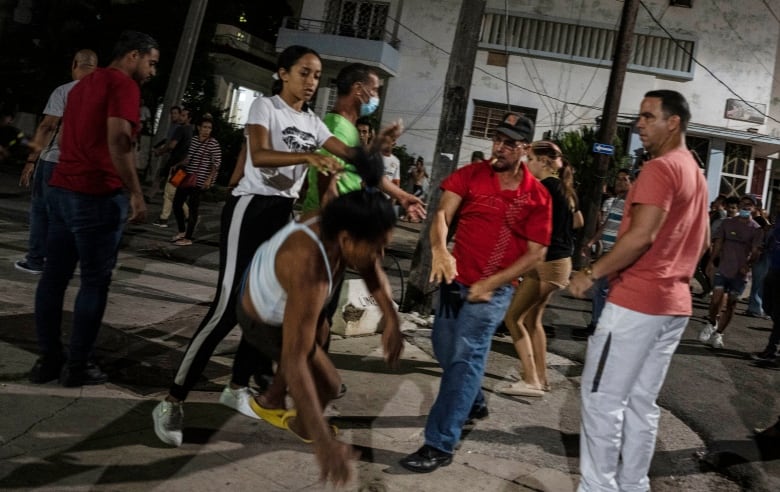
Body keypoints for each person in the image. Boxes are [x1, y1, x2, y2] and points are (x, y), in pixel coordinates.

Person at [152, 45, 401, 447]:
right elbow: (261, 154)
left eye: (317, 75)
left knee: (267, 309)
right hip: (250, 210)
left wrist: (375, 152)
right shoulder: (265, 109)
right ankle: (172, 400)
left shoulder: (315, 122)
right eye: (304, 72)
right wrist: (309, 156)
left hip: (281, 217)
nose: (311, 81)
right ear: (283, 73)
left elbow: (354, 157)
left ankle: (235, 387)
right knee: (224, 309)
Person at [568, 90, 709, 491]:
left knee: (601, 400)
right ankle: (633, 485)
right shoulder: (695, 173)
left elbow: (640, 237)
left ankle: (599, 488)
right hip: (673, 305)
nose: (639, 124)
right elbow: (699, 246)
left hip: (637, 305)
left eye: (648, 116)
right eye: (639, 117)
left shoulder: (660, 169)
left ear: (674, 122)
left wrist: (591, 272)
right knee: (640, 404)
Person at [399, 113, 552, 473]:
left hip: (493, 292)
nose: (499, 147)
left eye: (509, 142)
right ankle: (474, 400)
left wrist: (491, 283)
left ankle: (439, 442)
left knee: (466, 357)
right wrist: (440, 249)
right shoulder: (471, 175)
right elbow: (442, 214)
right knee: (445, 349)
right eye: (497, 138)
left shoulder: (536, 195)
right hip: (455, 280)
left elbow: (536, 252)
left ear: (525, 150)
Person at [239, 154, 403, 486]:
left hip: (283, 295)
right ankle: (298, 421)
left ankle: (283, 407)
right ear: (346, 241)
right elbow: (294, 358)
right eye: (377, 247)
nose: (380, 257)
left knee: (319, 333)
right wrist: (325, 446)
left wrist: (393, 320)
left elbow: (373, 271)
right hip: (260, 317)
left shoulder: (343, 224)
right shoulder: (309, 267)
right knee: (326, 382)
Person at [29, 30, 158, 387]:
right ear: (133, 55)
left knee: (53, 278)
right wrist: (135, 191)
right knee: (94, 282)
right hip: (97, 194)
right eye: (151, 62)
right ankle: (79, 365)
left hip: (61, 189)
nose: (152, 70)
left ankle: (48, 360)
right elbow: (118, 139)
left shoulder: (81, 85)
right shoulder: (124, 86)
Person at [498, 141, 582, 397]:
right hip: (559, 263)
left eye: (531, 159)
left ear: (544, 161)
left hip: (548, 263)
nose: (528, 165)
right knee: (533, 320)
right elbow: (578, 221)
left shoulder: (545, 187)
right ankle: (541, 379)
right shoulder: (564, 189)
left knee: (513, 318)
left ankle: (531, 379)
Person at [15, 49, 98, 275]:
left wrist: (31, 160)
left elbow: (48, 126)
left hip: (54, 160)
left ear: (75, 64)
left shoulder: (65, 91)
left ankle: (35, 260)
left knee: (41, 210)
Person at [698, 195, 763, 348]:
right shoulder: (727, 223)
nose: (746, 207)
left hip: (740, 274)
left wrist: (748, 265)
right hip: (724, 268)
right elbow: (719, 243)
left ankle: (719, 333)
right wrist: (711, 262)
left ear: (754, 209)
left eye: (749, 205)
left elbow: (755, 252)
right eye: (743, 204)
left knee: (732, 304)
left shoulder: (756, 230)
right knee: (716, 299)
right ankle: (711, 322)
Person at [579, 168, 632, 335]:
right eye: (618, 179)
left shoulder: (632, 203)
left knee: (602, 289)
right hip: (608, 252)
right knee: (602, 290)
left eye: (624, 179)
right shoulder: (617, 201)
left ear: (632, 183)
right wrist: (592, 242)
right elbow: (606, 225)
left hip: (616, 254)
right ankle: (600, 325)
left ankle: (598, 326)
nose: (619, 182)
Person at [170, 113, 222, 246]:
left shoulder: (213, 144)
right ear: (199, 127)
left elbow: (216, 164)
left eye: (209, 128)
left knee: (193, 208)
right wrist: (177, 165)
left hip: (199, 179)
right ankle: (182, 231)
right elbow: (188, 157)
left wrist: (209, 179)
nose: (206, 130)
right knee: (176, 204)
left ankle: (188, 237)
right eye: (204, 127)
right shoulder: (193, 140)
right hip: (186, 176)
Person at [152, 107, 192, 227]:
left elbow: (171, 146)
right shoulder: (191, 130)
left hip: (175, 165)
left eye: (183, 115)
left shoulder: (181, 129)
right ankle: (184, 216)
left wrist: (160, 152)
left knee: (170, 192)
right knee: (172, 192)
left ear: (189, 118)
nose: (180, 117)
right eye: (181, 115)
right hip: (184, 166)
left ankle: (165, 219)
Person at [751, 200, 780, 363]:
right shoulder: (776, 222)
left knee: (778, 313)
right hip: (774, 267)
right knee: (769, 307)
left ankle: (772, 350)